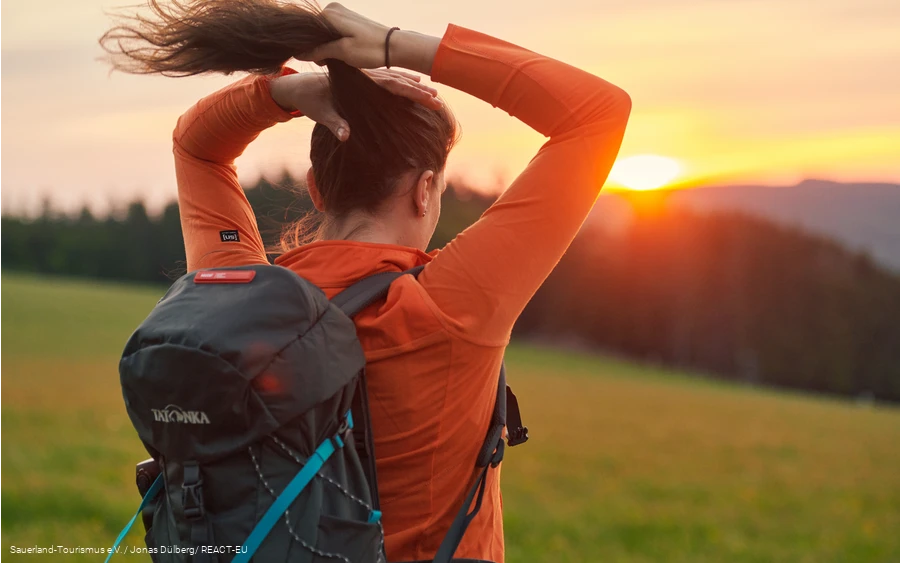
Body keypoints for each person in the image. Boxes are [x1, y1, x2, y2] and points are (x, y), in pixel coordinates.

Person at [100, 2, 631, 561]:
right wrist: (391, 44)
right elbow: (597, 111)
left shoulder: (240, 297)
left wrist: (285, 93)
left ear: (316, 187)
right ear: (425, 190)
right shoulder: (447, 306)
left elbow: (197, 145)